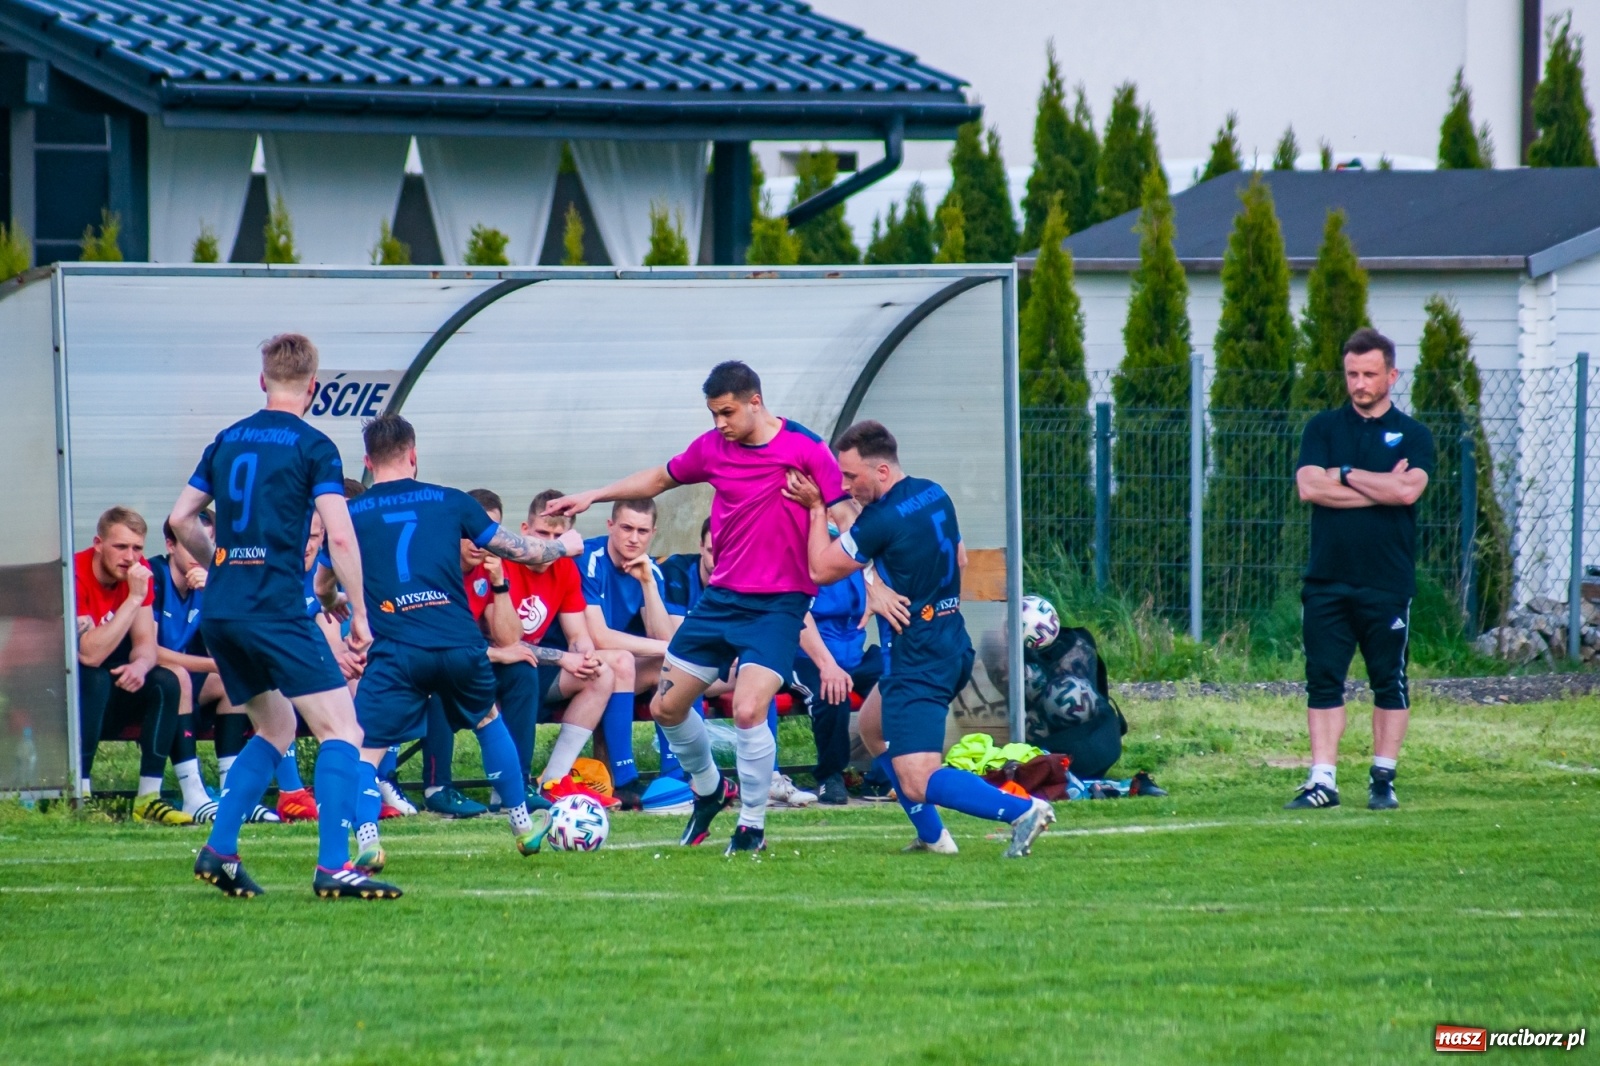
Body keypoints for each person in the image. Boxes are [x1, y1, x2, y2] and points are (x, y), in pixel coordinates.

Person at [545, 360, 855, 854]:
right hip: (721, 600)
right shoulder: (713, 448)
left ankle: (751, 826)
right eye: (713, 414)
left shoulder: (806, 448)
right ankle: (710, 791)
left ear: (755, 402)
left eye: (727, 412)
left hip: (779, 605)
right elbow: (658, 479)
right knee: (666, 707)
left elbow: (848, 516)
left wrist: (873, 576)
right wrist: (594, 495)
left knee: (749, 709)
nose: (720, 423)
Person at [169, 332, 401, 899]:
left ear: (262, 381)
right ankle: (333, 865)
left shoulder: (227, 440)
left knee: (277, 726)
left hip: (224, 610)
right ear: (314, 388)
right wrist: (361, 614)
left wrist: (218, 563)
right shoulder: (314, 445)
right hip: (274, 606)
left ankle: (220, 850)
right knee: (343, 728)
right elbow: (339, 536)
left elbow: (180, 520)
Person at [785, 420, 1056, 858]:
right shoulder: (934, 493)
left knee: (918, 778)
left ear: (882, 471)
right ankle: (934, 838)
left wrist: (817, 509)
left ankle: (1023, 810)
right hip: (950, 642)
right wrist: (887, 586)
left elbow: (819, 568)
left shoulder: (880, 518)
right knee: (872, 728)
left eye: (851, 476)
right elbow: (960, 559)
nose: (845, 486)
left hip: (917, 660)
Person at [342, 415, 585, 873]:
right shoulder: (451, 500)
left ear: (367, 462)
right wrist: (564, 546)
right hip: (457, 641)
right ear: (414, 455)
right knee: (488, 719)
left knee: (367, 747)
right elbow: (520, 550)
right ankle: (521, 825)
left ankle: (368, 838)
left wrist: (335, 600)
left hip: (397, 647)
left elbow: (325, 576)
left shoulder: (352, 513)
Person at [1288, 327, 1434, 811]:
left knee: (1389, 680)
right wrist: (1379, 490)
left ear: (1391, 375)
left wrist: (1347, 473)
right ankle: (1322, 781)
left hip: (1387, 581)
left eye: (1369, 374)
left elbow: (1407, 491)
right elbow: (1310, 487)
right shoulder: (1323, 429)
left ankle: (1383, 779)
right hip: (1326, 578)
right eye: (1352, 374)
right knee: (1323, 679)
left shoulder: (1414, 435)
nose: (1359, 383)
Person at [660, 519, 815, 805]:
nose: (718, 560)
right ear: (700, 547)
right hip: (694, 666)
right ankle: (695, 780)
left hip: (730, 668)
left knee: (758, 680)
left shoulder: (750, 577)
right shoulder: (677, 571)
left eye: (725, 551)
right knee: (680, 688)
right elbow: (678, 642)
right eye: (711, 551)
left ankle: (769, 779)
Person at [148, 511, 279, 824]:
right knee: (180, 676)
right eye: (190, 544)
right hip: (144, 685)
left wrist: (215, 595)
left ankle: (233, 792)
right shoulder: (155, 576)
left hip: (186, 682)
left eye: (207, 544)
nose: (199, 552)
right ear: (170, 545)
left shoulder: (211, 581)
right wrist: (214, 664)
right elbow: (150, 653)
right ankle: (193, 796)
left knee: (231, 682)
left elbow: (229, 646)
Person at [550, 499, 674, 809]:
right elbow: (598, 637)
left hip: (614, 668)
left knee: (668, 666)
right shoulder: (589, 559)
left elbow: (663, 637)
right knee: (622, 659)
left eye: (642, 531)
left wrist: (648, 583)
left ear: (653, 533)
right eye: (626, 528)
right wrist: (666, 648)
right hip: (570, 665)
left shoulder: (650, 569)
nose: (633, 538)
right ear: (610, 526)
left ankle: (676, 777)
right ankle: (624, 779)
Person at [74, 506, 187, 824]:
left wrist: (140, 666)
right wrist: (133, 599)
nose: (130, 557)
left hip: (113, 689)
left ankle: (148, 798)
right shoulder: (76, 574)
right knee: (95, 678)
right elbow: (89, 654)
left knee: (166, 681)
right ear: (98, 544)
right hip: (66, 695)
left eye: (137, 548)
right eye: (121, 547)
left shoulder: (139, 573)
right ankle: (79, 794)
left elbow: (146, 644)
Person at [790, 527, 883, 806]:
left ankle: (884, 775)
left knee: (899, 678)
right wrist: (828, 664)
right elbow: (796, 616)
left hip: (853, 656)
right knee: (832, 692)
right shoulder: (798, 553)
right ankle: (830, 776)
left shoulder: (858, 553)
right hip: (804, 656)